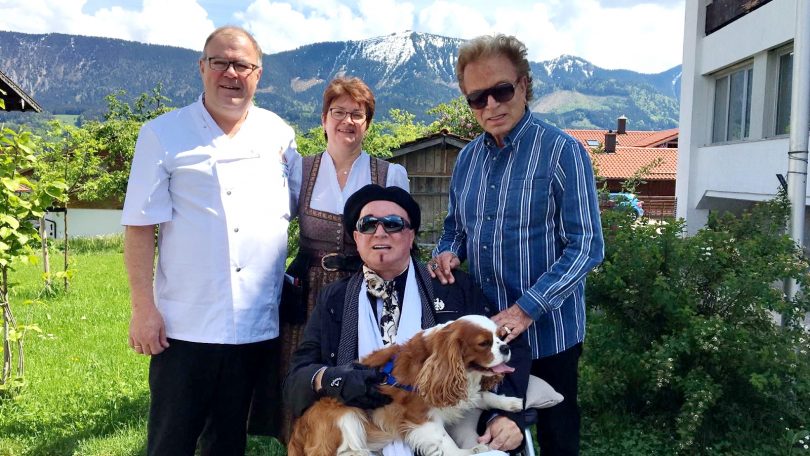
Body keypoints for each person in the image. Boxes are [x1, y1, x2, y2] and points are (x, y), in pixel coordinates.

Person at [121, 25, 301, 456]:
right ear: (202, 67)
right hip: (185, 324)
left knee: (228, 441)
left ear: (258, 74)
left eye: (242, 65)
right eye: (220, 62)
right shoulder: (163, 134)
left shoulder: (279, 134)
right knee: (171, 440)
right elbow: (139, 226)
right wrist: (143, 309)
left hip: (255, 324)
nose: (231, 74)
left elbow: (297, 207)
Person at [429, 34, 605, 456]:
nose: (491, 105)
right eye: (477, 98)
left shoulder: (562, 152)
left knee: (557, 435)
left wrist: (526, 309)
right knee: (492, 434)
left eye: (502, 91)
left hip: (550, 334)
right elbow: (456, 229)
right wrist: (447, 253)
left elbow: (586, 246)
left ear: (524, 85)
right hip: (487, 336)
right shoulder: (466, 160)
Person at [284, 184, 530, 454]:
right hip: (361, 433)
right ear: (357, 237)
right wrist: (331, 378)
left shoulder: (451, 287)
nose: (380, 232)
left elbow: (511, 346)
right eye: (368, 225)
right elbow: (296, 380)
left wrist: (504, 416)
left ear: (411, 235)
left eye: (393, 224)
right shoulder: (335, 298)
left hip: (443, 431)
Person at [249, 77, 409, 439]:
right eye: (338, 112)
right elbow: (270, 222)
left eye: (357, 114)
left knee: (360, 379)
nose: (347, 121)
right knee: (305, 378)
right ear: (324, 119)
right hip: (307, 291)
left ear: (367, 123)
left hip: (364, 290)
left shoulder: (389, 174)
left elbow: (400, 237)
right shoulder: (300, 170)